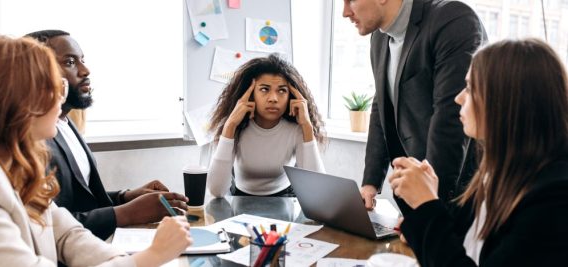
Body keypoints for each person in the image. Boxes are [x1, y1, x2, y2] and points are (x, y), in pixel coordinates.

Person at [0, 35, 192, 267]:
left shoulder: (23, 171)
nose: (61, 97)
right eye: (55, 86)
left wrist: (123, 260)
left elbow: (68, 235)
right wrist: (153, 256)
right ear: (20, 99)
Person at [389, 39, 568, 266]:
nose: (459, 98)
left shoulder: (555, 199)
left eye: (470, 88)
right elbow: (457, 243)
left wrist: (426, 206)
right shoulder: (497, 172)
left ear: (506, 101)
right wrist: (425, 204)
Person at [343, 0, 487, 213]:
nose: (345, 12)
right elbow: (381, 106)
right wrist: (370, 183)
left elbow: (450, 120)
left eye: (350, 0)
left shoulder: (452, 20)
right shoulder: (379, 38)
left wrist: (427, 209)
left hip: (457, 198)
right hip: (418, 198)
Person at [207, 54, 325, 197]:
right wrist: (229, 125)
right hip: (240, 197)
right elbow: (216, 191)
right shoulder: (236, 127)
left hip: (286, 198)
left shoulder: (296, 129)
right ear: (250, 94)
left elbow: (317, 189)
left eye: (282, 90)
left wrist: (307, 126)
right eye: (264, 89)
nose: (273, 99)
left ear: (291, 95)